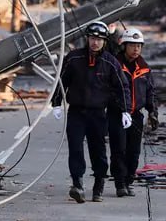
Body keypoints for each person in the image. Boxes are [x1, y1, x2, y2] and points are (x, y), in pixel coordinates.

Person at [52, 20, 132, 203]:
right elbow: (61, 81)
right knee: (75, 147)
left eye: (99, 39)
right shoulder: (73, 58)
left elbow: (122, 87)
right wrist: (56, 103)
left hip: (97, 114)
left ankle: (99, 184)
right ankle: (77, 184)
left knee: (98, 150)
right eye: (92, 38)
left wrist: (125, 110)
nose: (95, 42)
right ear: (87, 39)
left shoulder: (110, 62)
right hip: (76, 112)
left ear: (104, 41)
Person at [108, 26, 158, 197]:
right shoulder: (114, 65)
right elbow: (109, 90)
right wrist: (120, 109)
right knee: (119, 149)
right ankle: (120, 183)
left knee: (133, 151)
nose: (136, 49)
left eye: (139, 46)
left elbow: (150, 91)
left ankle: (129, 180)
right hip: (117, 115)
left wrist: (153, 112)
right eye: (132, 45)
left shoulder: (144, 67)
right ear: (124, 46)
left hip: (136, 115)